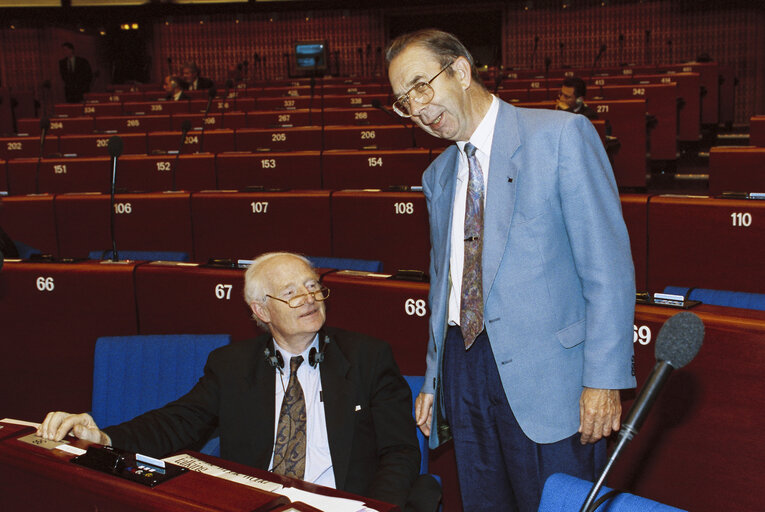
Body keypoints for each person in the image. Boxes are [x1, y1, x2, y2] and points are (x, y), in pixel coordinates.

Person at [386, 29, 635, 512]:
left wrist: (603, 381)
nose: (416, 109)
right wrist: (435, 381)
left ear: (460, 69)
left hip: (553, 379)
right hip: (465, 371)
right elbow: (446, 286)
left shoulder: (561, 136)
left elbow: (608, 270)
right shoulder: (436, 175)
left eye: (421, 87)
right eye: (402, 102)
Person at [38, 252, 440, 511]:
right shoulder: (230, 366)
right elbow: (176, 422)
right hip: (256, 505)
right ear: (261, 310)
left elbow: (400, 452)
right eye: (291, 292)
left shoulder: (368, 357)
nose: (309, 298)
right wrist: (103, 439)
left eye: (313, 286)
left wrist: (371, 509)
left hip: (340, 505)